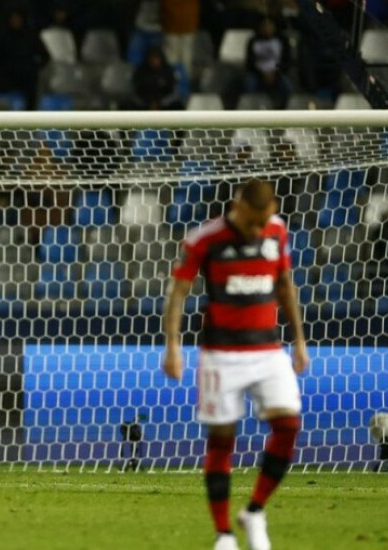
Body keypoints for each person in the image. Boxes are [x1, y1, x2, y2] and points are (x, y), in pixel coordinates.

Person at [163, 178, 309, 550]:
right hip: (221, 355)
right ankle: (224, 533)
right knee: (222, 440)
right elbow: (178, 291)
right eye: (252, 222)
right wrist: (173, 347)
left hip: (267, 350)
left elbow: (284, 284)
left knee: (289, 424)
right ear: (237, 207)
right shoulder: (204, 239)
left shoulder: (277, 232)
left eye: (265, 221)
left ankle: (255, 510)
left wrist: (299, 341)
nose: (259, 230)